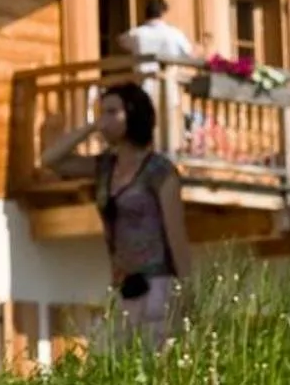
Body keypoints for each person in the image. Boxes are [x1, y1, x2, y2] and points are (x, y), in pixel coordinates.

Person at [39, 81, 192, 350]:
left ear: (132, 114)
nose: (105, 120)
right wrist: (91, 127)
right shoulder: (105, 167)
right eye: (103, 112)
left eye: (112, 112)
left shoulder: (159, 171)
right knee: (109, 355)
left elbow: (176, 234)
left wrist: (187, 292)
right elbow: (52, 160)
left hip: (158, 283)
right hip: (122, 286)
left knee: (151, 357)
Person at [121, 0, 196, 66]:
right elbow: (189, 54)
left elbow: (121, 42)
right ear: (163, 13)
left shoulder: (134, 34)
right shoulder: (174, 33)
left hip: (142, 76)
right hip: (170, 76)